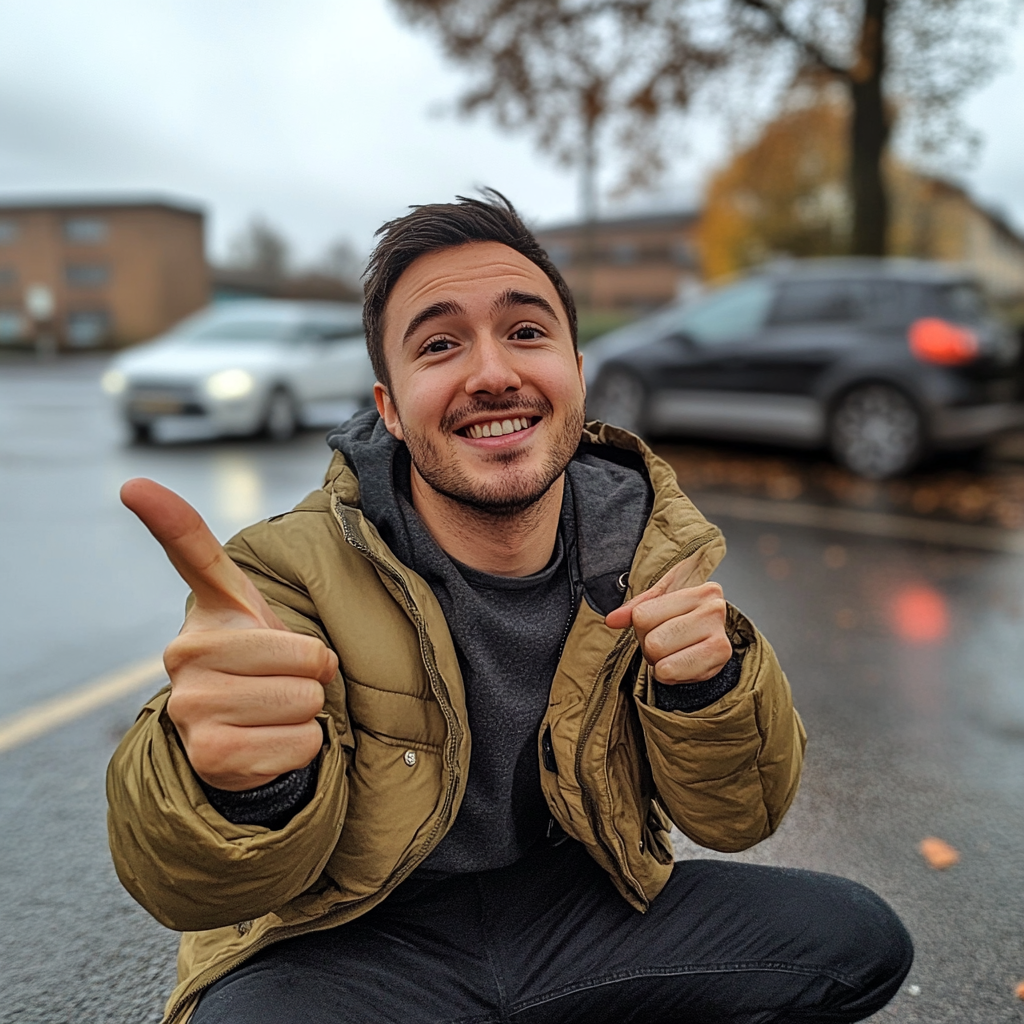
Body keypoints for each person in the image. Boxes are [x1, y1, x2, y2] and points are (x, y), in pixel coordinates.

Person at [107, 191, 912, 1024]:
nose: (493, 374)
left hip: (580, 911)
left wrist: (706, 691)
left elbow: (740, 817)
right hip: (353, 941)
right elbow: (184, 882)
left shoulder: (649, 551)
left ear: (576, 374)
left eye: (526, 332)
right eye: (440, 344)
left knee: (855, 942)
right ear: (388, 407)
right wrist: (242, 788)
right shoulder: (283, 574)